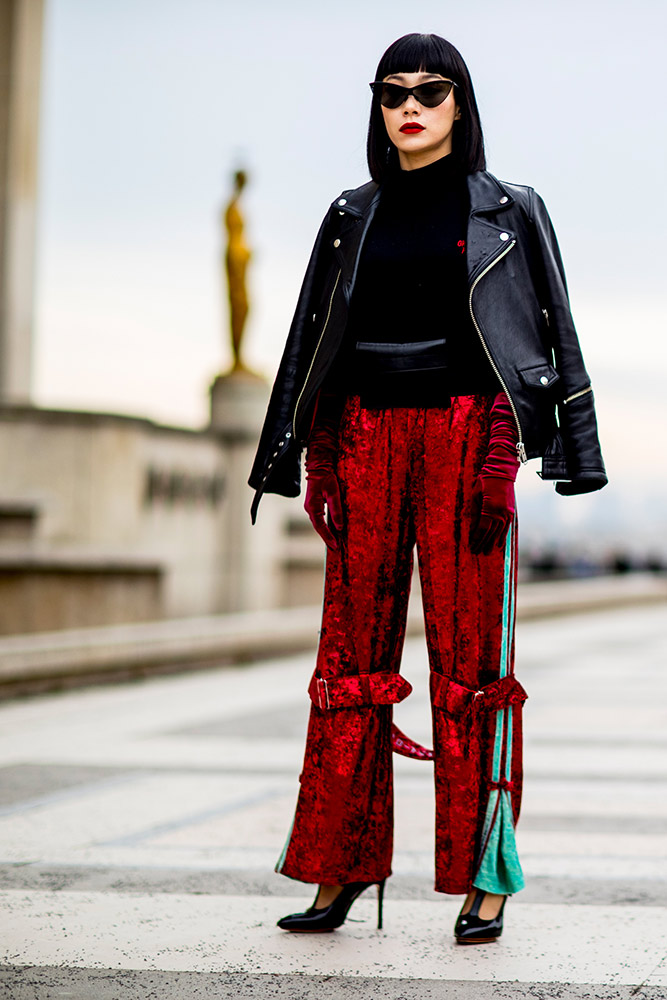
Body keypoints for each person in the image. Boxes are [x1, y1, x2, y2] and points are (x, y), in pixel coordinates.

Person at [248, 32, 606, 944]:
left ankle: (483, 878)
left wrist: (537, 446)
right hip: (361, 437)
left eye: (431, 90)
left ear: (460, 104)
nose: (410, 105)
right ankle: (338, 864)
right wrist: (300, 453)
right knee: (348, 664)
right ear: (378, 106)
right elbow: (306, 341)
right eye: (393, 91)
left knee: (473, 667)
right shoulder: (349, 212)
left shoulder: (508, 210)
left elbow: (551, 328)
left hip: (463, 437)